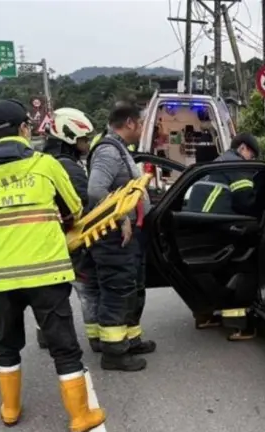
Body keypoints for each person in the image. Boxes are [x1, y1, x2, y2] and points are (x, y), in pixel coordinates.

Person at [0, 99, 105, 432]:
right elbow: (73, 208)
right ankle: (79, 416)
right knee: (63, 346)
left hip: (1, 279)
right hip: (47, 273)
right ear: (25, 128)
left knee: (7, 343)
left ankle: (10, 409)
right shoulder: (45, 165)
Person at [86, 101, 154, 372]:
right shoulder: (108, 151)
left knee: (132, 289)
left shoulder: (120, 149)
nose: (142, 129)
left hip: (128, 238)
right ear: (129, 123)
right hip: (114, 238)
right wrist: (121, 218)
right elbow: (95, 190)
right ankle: (114, 353)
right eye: (140, 124)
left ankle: (130, 340)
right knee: (117, 292)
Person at [184, 133, 261, 341]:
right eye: (252, 155)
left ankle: (204, 315)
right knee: (241, 268)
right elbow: (245, 201)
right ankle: (238, 325)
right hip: (217, 226)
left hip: (194, 225)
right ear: (243, 148)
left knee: (207, 272)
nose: (251, 160)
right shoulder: (237, 165)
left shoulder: (218, 163)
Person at [34, 108, 98, 352]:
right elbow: (84, 203)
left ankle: (45, 334)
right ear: (70, 137)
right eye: (84, 139)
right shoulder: (68, 167)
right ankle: (97, 336)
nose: (87, 143)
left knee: (50, 292)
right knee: (88, 287)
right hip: (72, 239)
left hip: (47, 239)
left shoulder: (43, 161)